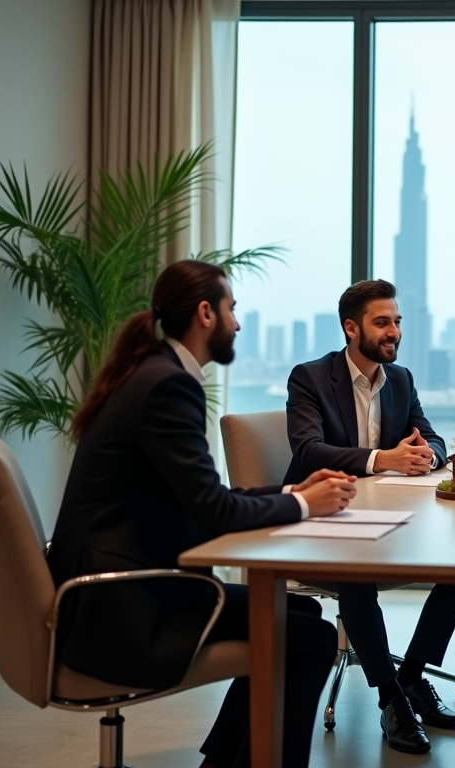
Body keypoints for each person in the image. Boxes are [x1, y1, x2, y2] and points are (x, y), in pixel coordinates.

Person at [48, 260, 357, 768]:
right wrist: (305, 504)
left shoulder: (150, 372)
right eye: (232, 309)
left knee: (299, 611)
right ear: (205, 313)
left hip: (112, 588)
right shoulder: (169, 385)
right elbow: (214, 509)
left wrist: (292, 488)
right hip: (121, 606)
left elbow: (201, 494)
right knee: (314, 637)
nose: (238, 322)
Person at [283, 279, 455, 755]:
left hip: (390, 519)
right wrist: (381, 459)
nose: (394, 332)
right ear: (352, 329)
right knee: (356, 576)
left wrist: (425, 455)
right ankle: (391, 700)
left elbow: (432, 438)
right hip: (326, 519)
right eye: (382, 323)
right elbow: (308, 451)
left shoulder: (401, 379)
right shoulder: (309, 378)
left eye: (397, 322)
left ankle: (410, 677)